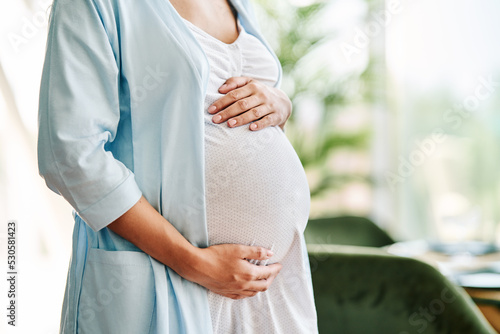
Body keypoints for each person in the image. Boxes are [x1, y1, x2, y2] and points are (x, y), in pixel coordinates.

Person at [37, 0, 318, 332]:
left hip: (266, 291)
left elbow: (229, 107)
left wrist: (279, 103)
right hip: (171, 275)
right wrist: (193, 262)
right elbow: (71, 154)